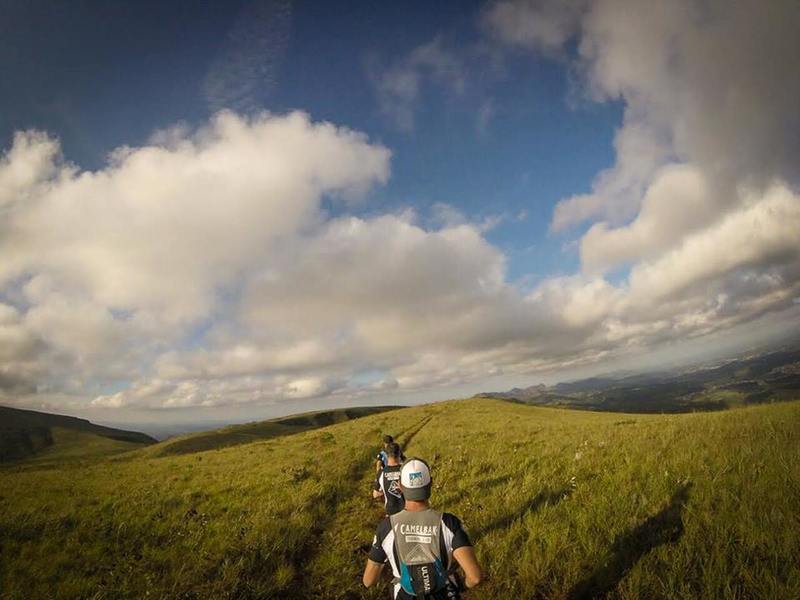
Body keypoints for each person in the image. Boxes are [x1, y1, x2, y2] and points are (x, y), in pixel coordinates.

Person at [363, 458, 483, 599]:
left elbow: (368, 581)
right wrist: (462, 585)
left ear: (400, 486)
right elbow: (475, 577)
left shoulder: (387, 527)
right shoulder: (449, 523)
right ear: (430, 483)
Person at [373, 442, 405, 516]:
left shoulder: (381, 473)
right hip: (406, 511)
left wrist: (386, 491)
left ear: (387, 455)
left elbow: (375, 494)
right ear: (399, 454)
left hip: (391, 512)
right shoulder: (405, 469)